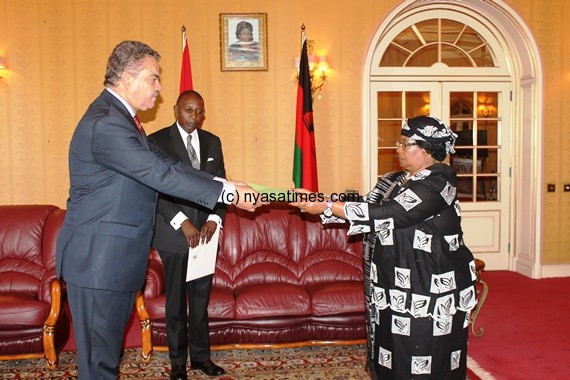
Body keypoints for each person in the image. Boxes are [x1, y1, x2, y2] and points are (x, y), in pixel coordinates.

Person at [56, 40, 264, 380]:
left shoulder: (123, 120)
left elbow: (163, 164)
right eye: (153, 78)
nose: (160, 87)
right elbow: (159, 173)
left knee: (107, 360)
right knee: (98, 367)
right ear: (127, 77)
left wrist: (225, 184)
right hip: (99, 261)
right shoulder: (107, 122)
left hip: (113, 260)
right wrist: (225, 192)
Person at [291, 116, 478, 379]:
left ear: (425, 148)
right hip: (394, 280)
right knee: (392, 349)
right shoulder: (395, 179)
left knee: (425, 350)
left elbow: (394, 213)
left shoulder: (439, 181)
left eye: (405, 144)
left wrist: (326, 206)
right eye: (398, 143)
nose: (398, 149)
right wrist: (323, 200)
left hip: (428, 285)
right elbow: (368, 205)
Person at [148, 90, 226, 379]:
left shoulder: (212, 142)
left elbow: (221, 186)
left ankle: (201, 359)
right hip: (175, 236)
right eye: (188, 110)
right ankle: (178, 364)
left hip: (205, 237)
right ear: (175, 110)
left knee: (200, 303)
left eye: (199, 111)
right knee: (176, 304)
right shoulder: (156, 142)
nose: (194, 117)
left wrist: (215, 219)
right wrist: (183, 223)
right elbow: (155, 188)